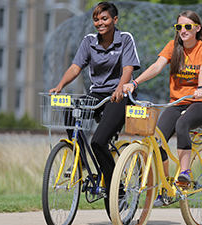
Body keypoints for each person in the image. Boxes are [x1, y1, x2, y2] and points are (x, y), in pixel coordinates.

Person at [123, 10, 202, 206]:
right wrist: (135, 82)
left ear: (197, 28)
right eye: (179, 27)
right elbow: (157, 67)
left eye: (187, 26)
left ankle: (185, 173)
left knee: (182, 123)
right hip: (178, 102)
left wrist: (201, 88)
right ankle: (165, 186)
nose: (183, 30)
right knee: (156, 139)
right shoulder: (173, 47)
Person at [49, 1, 140, 203]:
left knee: (98, 141)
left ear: (115, 20)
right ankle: (80, 160)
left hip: (121, 95)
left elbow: (128, 69)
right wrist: (60, 85)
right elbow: (75, 67)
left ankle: (116, 186)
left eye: (104, 18)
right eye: (96, 19)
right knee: (70, 109)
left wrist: (120, 88)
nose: (100, 23)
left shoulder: (125, 39)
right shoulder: (89, 41)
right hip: (98, 94)